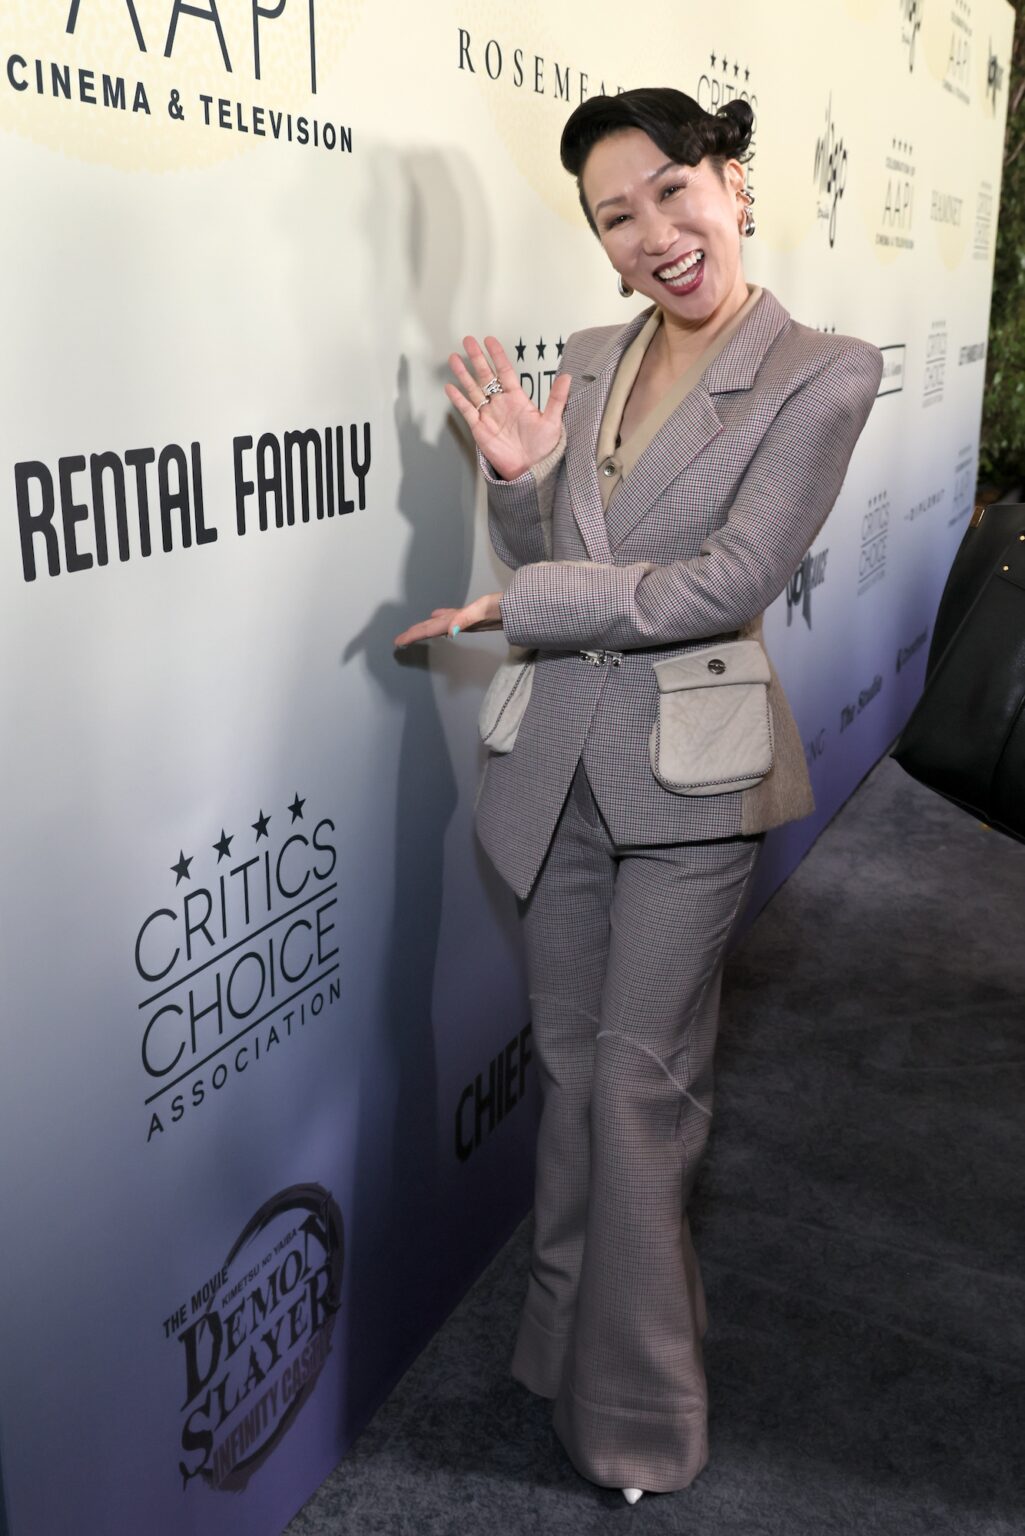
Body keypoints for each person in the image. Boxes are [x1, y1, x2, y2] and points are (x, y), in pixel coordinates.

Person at [395, 87, 883, 1504]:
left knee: (638, 1096)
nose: (655, 233)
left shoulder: (824, 368)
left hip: (686, 785)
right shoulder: (593, 355)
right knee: (569, 1071)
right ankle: (560, 1349)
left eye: (674, 191)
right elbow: (563, 546)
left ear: (731, 185)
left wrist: (522, 589)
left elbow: (725, 584)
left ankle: (635, 1419)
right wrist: (520, 484)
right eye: (618, 216)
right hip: (552, 770)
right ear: (600, 247)